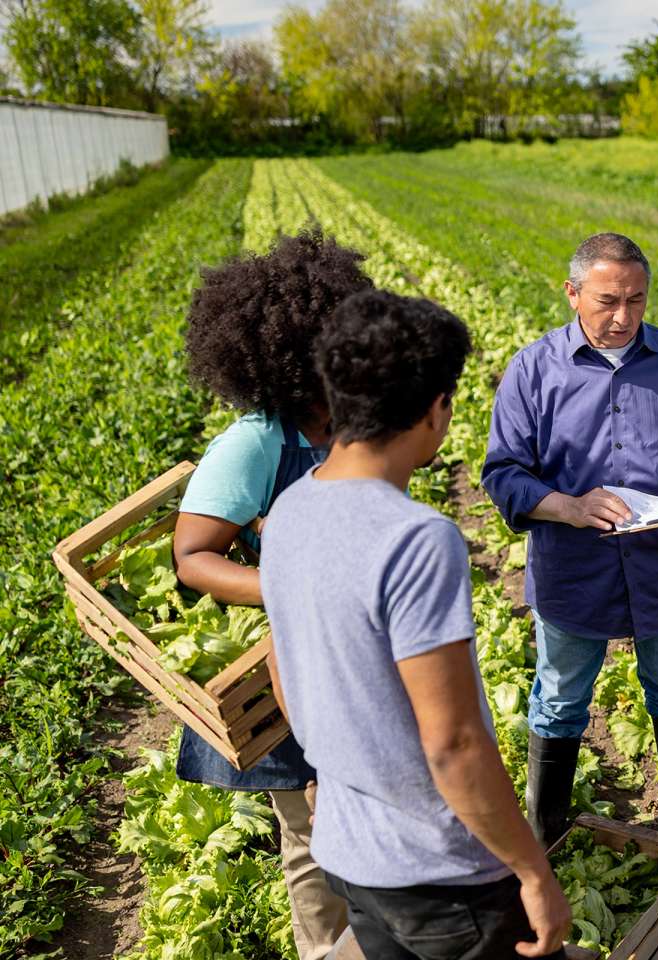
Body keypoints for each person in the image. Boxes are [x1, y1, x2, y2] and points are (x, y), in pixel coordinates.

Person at [261, 289, 571, 960]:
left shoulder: (288, 511)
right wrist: (531, 869)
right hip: (442, 875)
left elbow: (278, 665)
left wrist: (327, 771)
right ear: (435, 411)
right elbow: (454, 745)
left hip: (349, 855)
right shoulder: (416, 539)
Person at [481, 232, 658, 857]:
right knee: (561, 697)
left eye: (636, 300)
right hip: (575, 570)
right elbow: (504, 473)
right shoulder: (533, 370)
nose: (622, 316)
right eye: (606, 301)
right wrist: (568, 507)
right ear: (572, 294)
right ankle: (547, 825)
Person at [172, 227, 373, 960]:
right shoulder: (257, 442)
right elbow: (192, 556)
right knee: (313, 830)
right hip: (284, 668)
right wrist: (287, 587)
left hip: (350, 653)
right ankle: (326, 950)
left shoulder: (348, 427)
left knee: (360, 816)